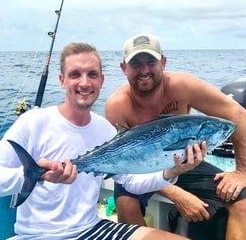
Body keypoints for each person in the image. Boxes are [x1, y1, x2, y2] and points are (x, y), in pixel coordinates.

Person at [0, 42, 194, 240]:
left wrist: (173, 170)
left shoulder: (105, 129)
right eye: (75, 74)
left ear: (101, 81)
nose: (84, 83)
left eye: (92, 74)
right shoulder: (33, 122)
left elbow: (131, 182)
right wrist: (36, 176)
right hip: (36, 235)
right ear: (62, 80)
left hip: (91, 229)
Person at [105, 33, 246, 240]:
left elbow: (238, 115)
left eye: (151, 62)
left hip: (187, 163)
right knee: (126, 205)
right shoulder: (117, 105)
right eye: (136, 64)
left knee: (242, 201)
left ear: (163, 62)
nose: (144, 70)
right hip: (138, 169)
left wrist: (242, 171)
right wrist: (177, 194)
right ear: (124, 68)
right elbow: (122, 167)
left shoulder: (183, 86)